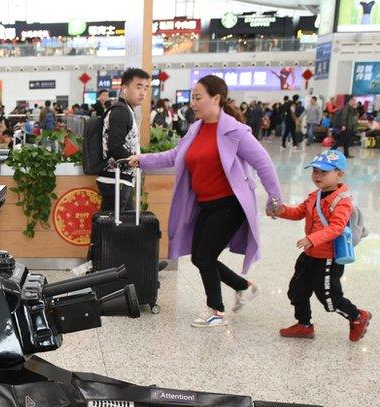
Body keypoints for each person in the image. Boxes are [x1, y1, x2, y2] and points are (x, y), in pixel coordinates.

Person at [129, 74, 282, 328]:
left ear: (216, 98)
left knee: (206, 257)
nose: (193, 103)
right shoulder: (196, 129)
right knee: (200, 257)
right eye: (192, 98)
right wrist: (142, 159)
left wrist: (275, 199)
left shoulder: (235, 132)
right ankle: (244, 287)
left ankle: (216, 311)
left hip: (229, 205)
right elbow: (174, 155)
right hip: (206, 205)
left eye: (198, 97)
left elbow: (263, 163)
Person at [272, 149, 372, 341]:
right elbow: (298, 212)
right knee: (296, 291)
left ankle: (358, 316)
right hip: (309, 255)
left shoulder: (342, 201)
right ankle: (304, 324)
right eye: (315, 171)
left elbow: (336, 227)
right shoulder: (315, 195)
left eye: (324, 172)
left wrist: (312, 238)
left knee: (330, 300)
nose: (317, 176)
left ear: (339, 174)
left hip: (328, 258)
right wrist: (280, 210)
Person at [96, 68, 149, 213]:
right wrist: (134, 160)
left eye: (145, 88)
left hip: (120, 179)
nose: (143, 92)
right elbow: (115, 145)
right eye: (138, 87)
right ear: (124, 89)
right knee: (112, 229)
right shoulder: (120, 112)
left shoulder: (126, 110)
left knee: (122, 228)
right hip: (115, 179)